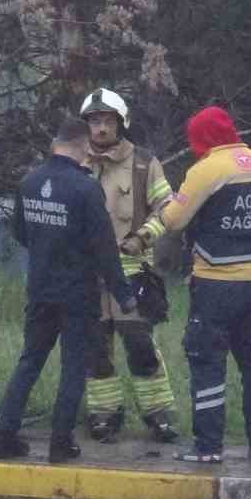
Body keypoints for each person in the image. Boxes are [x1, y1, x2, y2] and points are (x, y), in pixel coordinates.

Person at [0, 117, 135, 463]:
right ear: (84, 146)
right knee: (73, 368)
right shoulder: (86, 189)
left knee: (29, 362)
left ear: (55, 143)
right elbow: (104, 249)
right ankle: (60, 442)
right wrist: (123, 293)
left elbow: (21, 234)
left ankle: (4, 438)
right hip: (78, 294)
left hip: (40, 290)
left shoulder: (29, 182)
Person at [159, 106, 251, 464]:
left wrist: (170, 203)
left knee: (208, 363)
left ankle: (208, 447)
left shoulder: (205, 170)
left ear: (200, 138)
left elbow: (173, 220)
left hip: (215, 284)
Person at [78, 88, 180, 444]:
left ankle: (159, 415)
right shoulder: (75, 163)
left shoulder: (143, 162)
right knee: (95, 347)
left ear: (121, 123)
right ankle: (104, 414)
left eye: (107, 121)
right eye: (94, 121)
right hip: (86, 276)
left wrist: (143, 237)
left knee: (139, 344)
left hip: (132, 272)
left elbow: (168, 207)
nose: (100, 128)